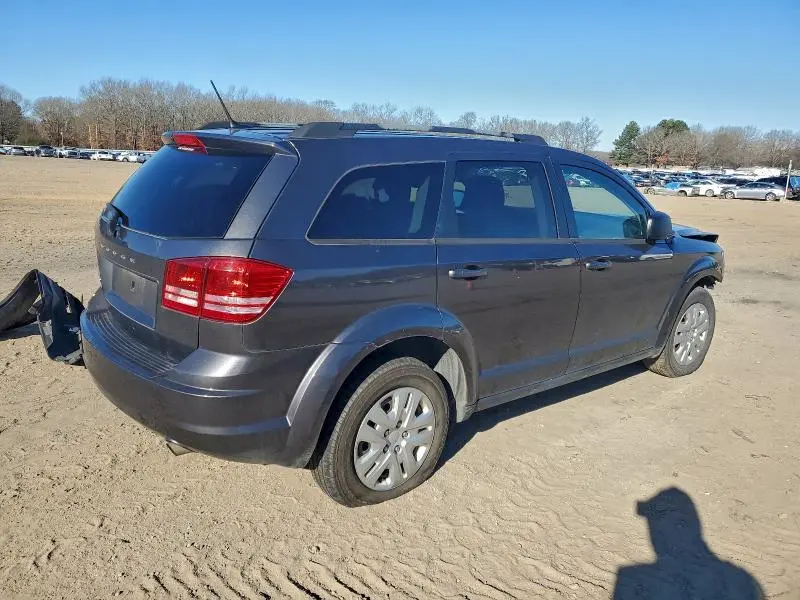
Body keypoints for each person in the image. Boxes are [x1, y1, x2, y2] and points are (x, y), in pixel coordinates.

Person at [613, 487, 764, 600]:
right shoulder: (741, 580)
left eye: (658, 520)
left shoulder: (634, 580)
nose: (652, 529)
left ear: (683, 525)